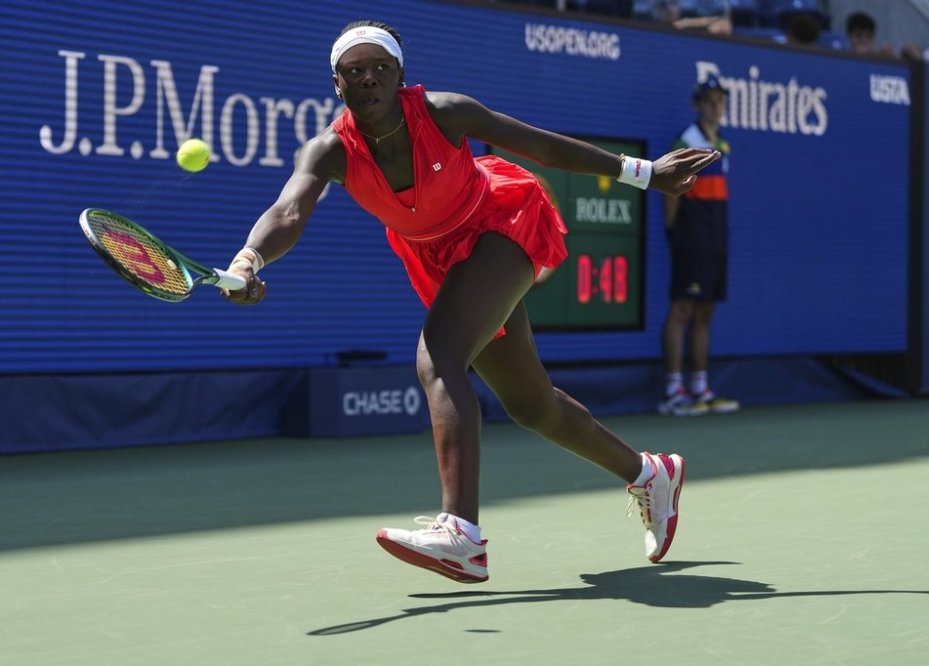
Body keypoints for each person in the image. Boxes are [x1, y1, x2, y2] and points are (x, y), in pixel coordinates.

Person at [223, 20, 719, 583]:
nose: (369, 80)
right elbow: (288, 212)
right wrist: (248, 260)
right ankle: (650, 473)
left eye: (380, 68)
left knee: (439, 358)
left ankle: (461, 533)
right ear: (337, 84)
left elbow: (537, 144)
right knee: (532, 406)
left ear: (400, 75)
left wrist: (643, 172)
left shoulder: (445, 112)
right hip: (437, 260)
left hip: (499, 224)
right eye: (354, 72)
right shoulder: (329, 151)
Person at [658, 74, 740, 418]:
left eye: (720, 100)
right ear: (697, 105)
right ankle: (673, 390)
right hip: (690, 239)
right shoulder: (686, 141)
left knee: (706, 311)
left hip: (716, 239)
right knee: (682, 311)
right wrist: (676, 233)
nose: (715, 106)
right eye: (709, 100)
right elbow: (669, 191)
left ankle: (700, 387)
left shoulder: (723, 144)